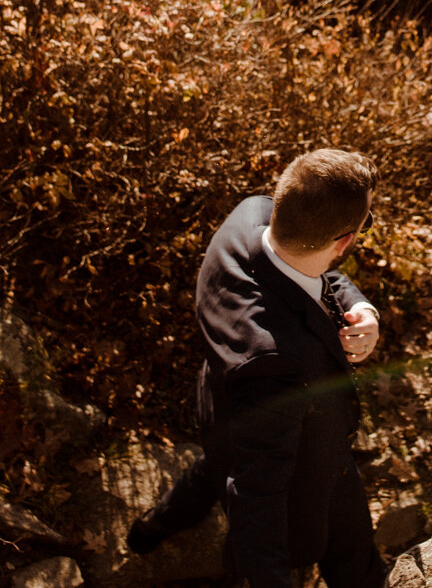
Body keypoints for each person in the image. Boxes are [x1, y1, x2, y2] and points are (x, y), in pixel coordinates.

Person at [127, 149, 385, 588]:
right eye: (367, 223)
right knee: (353, 557)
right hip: (307, 456)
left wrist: (359, 305)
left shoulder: (249, 217)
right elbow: (257, 503)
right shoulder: (278, 364)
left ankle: (152, 528)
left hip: (221, 403)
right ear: (344, 242)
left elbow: (320, 278)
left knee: (218, 459)